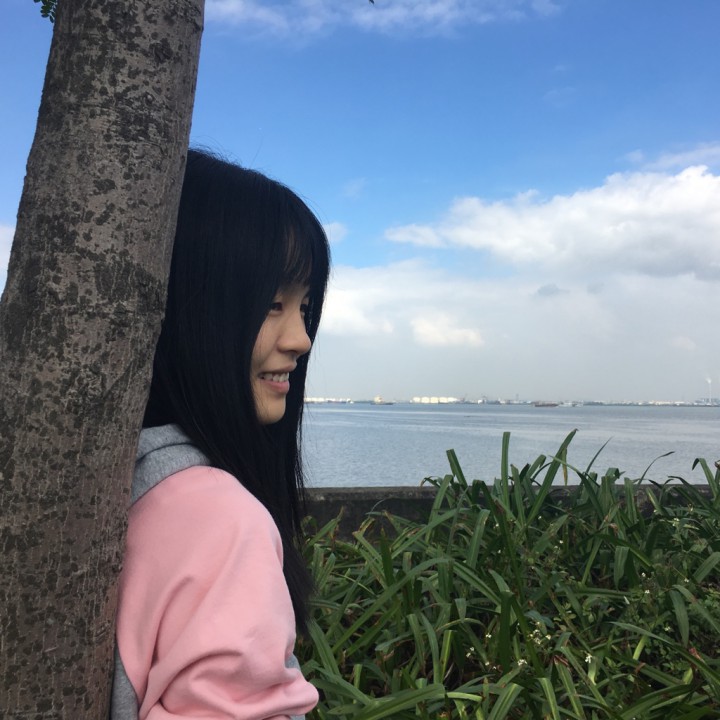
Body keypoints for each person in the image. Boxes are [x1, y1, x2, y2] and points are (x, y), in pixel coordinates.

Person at [111, 149, 330, 720]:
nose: (301, 339)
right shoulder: (219, 519)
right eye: (272, 304)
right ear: (186, 304)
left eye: (304, 306)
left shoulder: (117, 479)